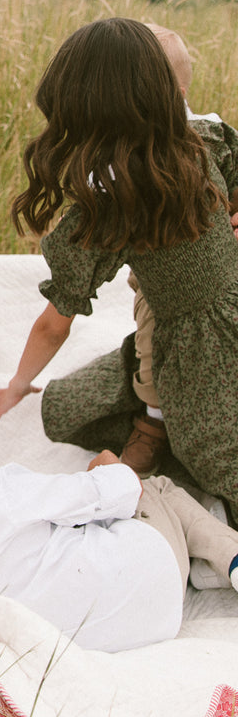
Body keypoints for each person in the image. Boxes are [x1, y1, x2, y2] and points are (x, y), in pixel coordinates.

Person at [0, 17, 238, 523]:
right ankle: (155, 424)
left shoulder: (112, 204)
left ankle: (164, 430)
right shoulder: (201, 140)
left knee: (217, 460)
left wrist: (16, 383)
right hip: (191, 333)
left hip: (206, 358)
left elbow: (54, 323)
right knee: (67, 405)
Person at [0, 376, 238, 653]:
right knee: (157, 488)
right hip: (153, 573)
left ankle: (204, 569)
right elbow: (124, 491)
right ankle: (230, 557)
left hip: (131, 630)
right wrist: (107, 465)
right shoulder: (7, 490)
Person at [121, 25, 238, 476]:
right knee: (151, 350)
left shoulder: (211, 135)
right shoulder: (124, 150)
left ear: (177, 94)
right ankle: (154, 424)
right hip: (158, 284)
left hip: (221, 273)